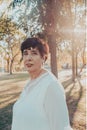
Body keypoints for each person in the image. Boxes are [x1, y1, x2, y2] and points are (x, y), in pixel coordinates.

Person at [11, 37, 73, 130]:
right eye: (25, 53)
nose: (28, 58)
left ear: (43, 58)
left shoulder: (51, 86)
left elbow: (61, 127)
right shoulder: (29, 83)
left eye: (34, 53)